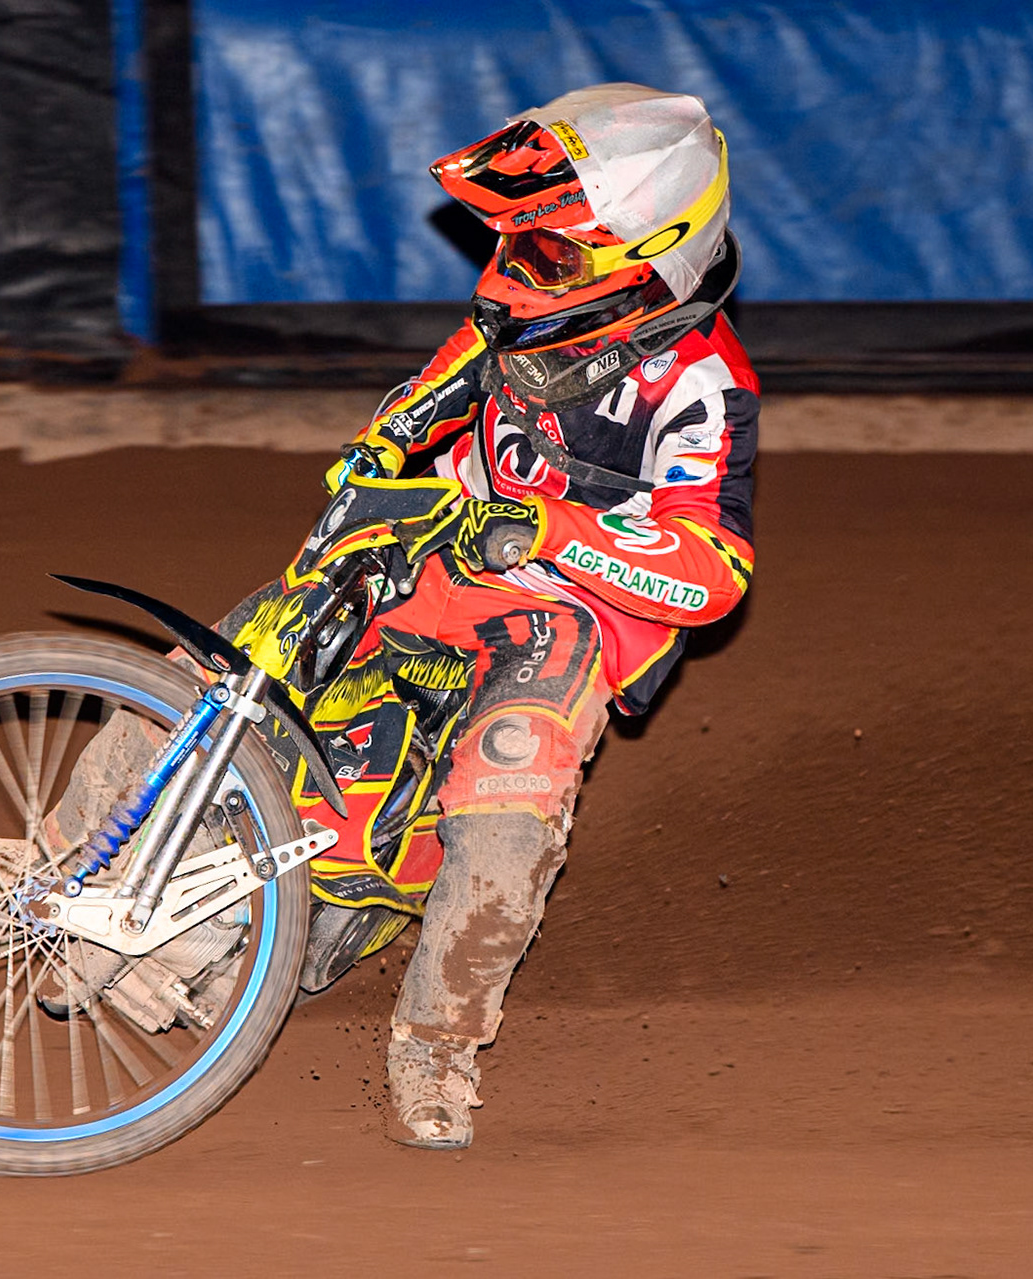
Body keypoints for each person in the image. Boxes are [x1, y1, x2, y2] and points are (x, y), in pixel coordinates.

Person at [297, 83, 761, 1149]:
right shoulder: (526, 310)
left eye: (546, 254)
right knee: (240, 667)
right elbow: (451, 373)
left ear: (643, 264)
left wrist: (553, 531)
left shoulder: (702, 386)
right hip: (445, 547)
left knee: (507, 811)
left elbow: (718, 569)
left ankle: (435, 1049)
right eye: (514, 243)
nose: (511, 274)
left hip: (564, 616)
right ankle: (80, 866)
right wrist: (382, 445)